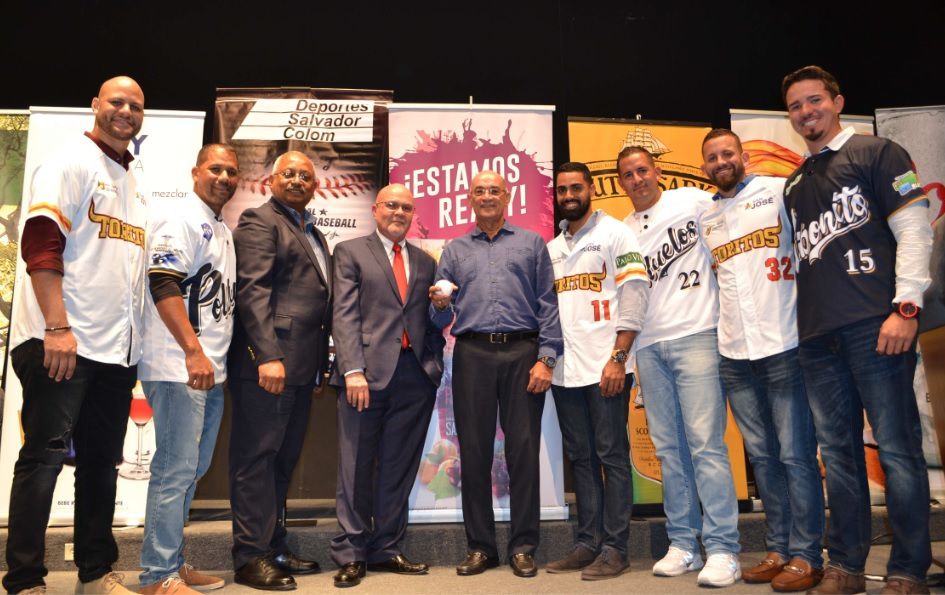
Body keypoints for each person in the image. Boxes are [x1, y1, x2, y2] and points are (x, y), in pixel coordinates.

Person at [782, 65, 933, 595]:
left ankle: (908, 570)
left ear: (838, 101)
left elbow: (914, 227)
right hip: (818, 338)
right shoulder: (795, 182)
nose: (806, 112)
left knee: (896, 451)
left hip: (878, 326)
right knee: (840, 456)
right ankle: (846, 565)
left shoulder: (878, 152)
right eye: (797, 106)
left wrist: (906, 307)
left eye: (815, 100)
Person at [3, 76, 146, 595]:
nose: (125, 111)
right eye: (116, 101)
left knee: (101, 466)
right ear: (95, 106)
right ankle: (24, 578)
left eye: (135, 105)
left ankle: (96, 570)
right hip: (61, 342)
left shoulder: (131, 181)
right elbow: (41, 242)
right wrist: (57, 327)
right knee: (43, 459)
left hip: (112, 351)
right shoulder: (70, 162)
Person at [700, 129, 825, 592]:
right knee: (763, 459)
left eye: (727, 153)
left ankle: (808, 555)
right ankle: (778, 548)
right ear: (704, 166)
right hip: (735, 353)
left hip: (785, 343)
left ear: (743, 156)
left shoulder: (778, 191)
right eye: (712, 158)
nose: (721, 162)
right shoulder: (707, 217)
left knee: (795, 457)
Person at [618, 146, 742, 587]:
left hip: (697, 335)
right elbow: (628, 299)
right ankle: (684, 544)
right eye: (628, 175)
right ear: (620, 183)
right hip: (650, 348)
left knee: (706, 446)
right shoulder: (625, 231)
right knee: (670, 452)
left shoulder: (691, 201)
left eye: (642, 171)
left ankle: (724, 548)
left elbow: (734, 219)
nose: (637, 180)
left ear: (658, 171)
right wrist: (629, 358)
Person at [432, 170, 562, 579]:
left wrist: (547, 357)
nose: (486, 196)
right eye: (479, 191)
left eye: (494, 190)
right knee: (473, 452)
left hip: (524, 352)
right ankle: (481, 547)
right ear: (470, 199)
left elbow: (547, 304)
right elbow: (439, 316)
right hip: (472, 353)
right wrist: (436, 303)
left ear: (507, 196)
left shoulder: (531, 244)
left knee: (523, 452)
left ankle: (524, 546)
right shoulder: (453, 250)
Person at [328, 184, 447, 588]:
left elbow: (430, 320)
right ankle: (352, 552)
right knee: (356, 467)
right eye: (391, 205)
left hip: (414, 377)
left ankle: (386, 548)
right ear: (376, 210)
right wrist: (352, 370)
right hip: (364, 376)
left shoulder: (424, 261)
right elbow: (343, 315)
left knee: (398, 468)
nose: (399, 212)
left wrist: (435, 351)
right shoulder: (349, 251)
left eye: (406, 207)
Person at [136, 144, 240, 594]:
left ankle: (173, 564)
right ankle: (157, 574)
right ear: (195, 172)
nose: (224, 177)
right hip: (179, 364)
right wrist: (193, 351)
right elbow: (163, 282)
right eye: (215, 168)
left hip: (207, 368)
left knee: (190, 468)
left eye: (232, 172)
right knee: (174, 469)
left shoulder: (219, 227)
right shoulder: (181, 217)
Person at [228, 151, 332, 591]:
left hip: (301, 367)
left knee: (282, 462)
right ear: (271, 180)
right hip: (269, 364)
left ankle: (274, 546)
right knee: (256, 459)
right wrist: (267, 354)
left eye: (305, 176)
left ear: (315, 186)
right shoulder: (259, 222)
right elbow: (253, 292)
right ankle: (250, 557)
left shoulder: (314, 233)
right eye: (288, 173)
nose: (296, 180)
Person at [544, 162, 648, 580]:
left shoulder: (616, 233)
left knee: (611, 457)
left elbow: (635, 295)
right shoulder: (553, 248)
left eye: (576, 187)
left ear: (590, 190)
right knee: (583, 460)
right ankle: (588, 543)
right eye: (562, 190)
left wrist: (619, 358)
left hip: (607, 367)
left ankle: (616, 548)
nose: (569, 195)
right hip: (567, 373)